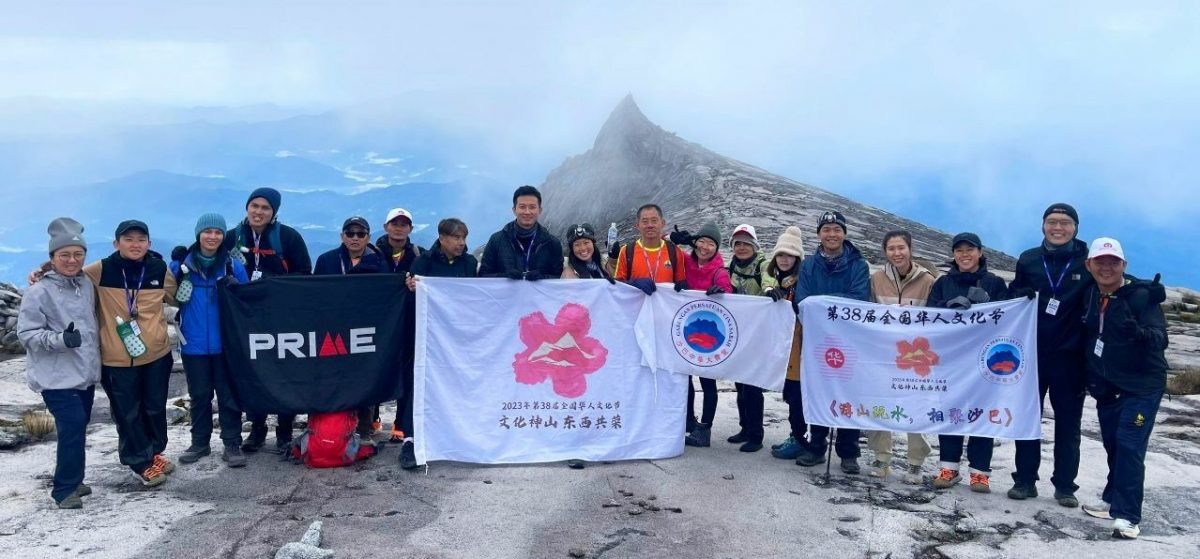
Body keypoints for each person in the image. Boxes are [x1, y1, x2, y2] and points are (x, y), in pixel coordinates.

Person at [1078, 238, 1167, 540]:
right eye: (1100, 261)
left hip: (1142, 388)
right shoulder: (1090, 294)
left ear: (1123, 266)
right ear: (1089, 265)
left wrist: (1139, 333)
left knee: (1129, 445)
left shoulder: (1141, 296)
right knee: (1114, 445)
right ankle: (1112, 498)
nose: (1106, 267)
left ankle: (1127, 517)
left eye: (1113, 262)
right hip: (1108, 388)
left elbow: (1160, 338)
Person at [1005, 203, 1093, 506]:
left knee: (1069, 423)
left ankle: (1065, 485)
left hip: (1071, 358)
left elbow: (1115, 282)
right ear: (1043, 226)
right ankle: (1025, 481)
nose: (1058, 227)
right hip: (1032, 354)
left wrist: (1143, 291)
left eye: (1065, 222)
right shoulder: (1028, 259)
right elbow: (1013, 295)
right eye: (1052, 222)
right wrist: (1017, 294)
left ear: (1075, 227)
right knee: (1028, 419)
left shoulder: (1088, 262)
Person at [86, 220, 179, 486]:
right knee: (127, 412)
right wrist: (43, 269)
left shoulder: (158, 268)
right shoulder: (100, 270)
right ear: (116, 243)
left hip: (157, 354)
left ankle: (153, 451)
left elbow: (176, 297)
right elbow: (69, 275)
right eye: (128, 239)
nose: (135, 244)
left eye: (141, 239)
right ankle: (140, 462)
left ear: (149, 243)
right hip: (116, 357)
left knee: (154, 407)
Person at [17, 218, 102, 507]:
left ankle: (75, 480)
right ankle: (64, 490)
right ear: (52, 257)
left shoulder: (86, 284)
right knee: (73, 425)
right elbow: (26, 334)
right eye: (64, 255)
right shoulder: (39, 291)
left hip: (84, 373)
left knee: (78, 427)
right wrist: (60, 340)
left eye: (78, 254)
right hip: (55, 377)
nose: (72, 260)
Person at [223, 187, 312, 453]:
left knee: (286, 370)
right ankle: (257, 428)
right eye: (255, 206)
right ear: (247, 207)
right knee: (252, 370)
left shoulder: (288, 237)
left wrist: (274, 284)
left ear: (274, 212)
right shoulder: (232, 237)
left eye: (265, 208)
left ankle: (284, 430)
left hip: (282, 315)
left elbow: (305, 273)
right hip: (246, 317)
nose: (258, 212)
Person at [928, 232, 1009, 493]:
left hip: (984, 361)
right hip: (950, 359)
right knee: (951, 412)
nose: (965, 254)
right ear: (953, 255)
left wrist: (987, 303)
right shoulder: (943, 283)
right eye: (959, 250)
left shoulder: (995, 282)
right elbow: (929, 314)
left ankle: (980, 473)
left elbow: (1007, 317)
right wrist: (947, 305)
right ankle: (948, 467)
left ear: (980, 252)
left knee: (981, 413)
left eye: (970, 249)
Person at [170, 213, 250, 468]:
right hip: (193, 344)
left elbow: (246, 299)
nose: (213, 236)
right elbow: (161, 292)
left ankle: (232, 443)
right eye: (208, 232)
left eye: (218, 232)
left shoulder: (231, 265)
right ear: (198, 234)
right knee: (200, 395)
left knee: (228, 395)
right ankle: (200, 442)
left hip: (226, 343)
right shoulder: (180, 266)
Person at [792, 211, 870, 473]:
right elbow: (801, 299)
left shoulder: (859, 264)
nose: (832, 234)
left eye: (837, 229)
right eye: (826, 229)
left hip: (850, 340)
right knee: (818, 390)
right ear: (819, 234)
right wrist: (826, 301)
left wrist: (822, 300)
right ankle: (816, 445)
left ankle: (849, 451)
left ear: (844, 233)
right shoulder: (809, 264)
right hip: (818, 340)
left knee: (849, 392)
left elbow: (858, 297)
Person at [403, 218, 478, 469]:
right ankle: (411, 440)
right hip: (430, 335)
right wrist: (412, 286)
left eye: (464, 238)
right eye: (456, 238)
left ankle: (458, 433)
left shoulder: (469, 263)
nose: (461, 243)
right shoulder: (424, 261)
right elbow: (413, 295)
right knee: (421, 382)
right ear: (442, 238)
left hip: (459, 335)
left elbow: (474, 296)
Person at [865, 230, 937, 483]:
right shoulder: (877, 279)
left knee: (915, 406)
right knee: (880, 403)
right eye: (891, 249)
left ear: (910, 249)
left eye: (901, 248)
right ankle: (881, 457)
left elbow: (936, 318)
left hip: (916, 356)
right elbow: (867, 313)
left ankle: (915, 461)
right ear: (885, 252)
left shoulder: (928, 280)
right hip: (883, 354)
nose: (897, 253)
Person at [313, 216, 387, 441]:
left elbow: (386, 295)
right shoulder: (326, 260)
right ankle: (329, 428)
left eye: (360, 234)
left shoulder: (378, 261)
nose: (355, 238)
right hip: (333, 330)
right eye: (350, 233)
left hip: (365, 330)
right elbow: (313, 293)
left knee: (364, 378)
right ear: (342, 236)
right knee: (331, 377)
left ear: (368, 237)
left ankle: (364, 429)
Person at [670, 222, 733, 448]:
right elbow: (667, 251)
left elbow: (731, 296)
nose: (705, 247)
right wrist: (678, 239)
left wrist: (723, 292)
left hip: (711, 338)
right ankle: (687, 420)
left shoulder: (719, 271)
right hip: (686, 333)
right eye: (702, 241)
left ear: (717, 248)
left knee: (708, 383)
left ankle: (705, 429)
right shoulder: (686, 261)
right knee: (685, 379)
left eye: (711, 243)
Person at [559, 223, 614, 468]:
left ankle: (601, 445)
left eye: (586, 243)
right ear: (571, 248)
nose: (583, 248)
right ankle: (575, 447)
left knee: (600, 394)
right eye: (577, 244)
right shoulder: (570, 272)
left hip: (600, 340)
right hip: (576, 343)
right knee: (577, 395)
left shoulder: (602, 268)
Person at [725, 224, 776, 453]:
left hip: (758, 335)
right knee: (740, 384)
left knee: (753, 386)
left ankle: (756, 436)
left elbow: (769, 278)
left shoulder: (763, 264)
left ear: (754, 245)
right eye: (738, 243)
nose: (742, 247)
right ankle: (745, 428)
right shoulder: (733, 267)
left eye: (746, 243)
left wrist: (767, 290)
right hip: (739, 334)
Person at [374, 208, 424, 441]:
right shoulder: (371, 254)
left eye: (404, 224)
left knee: (407, 371)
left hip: (407, 322)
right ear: (386, 227)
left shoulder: (419, 256)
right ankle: (371, 419)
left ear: (410, 229)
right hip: (378, 322)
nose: (399, 227)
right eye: (395, 223)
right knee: (374, 369)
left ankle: (401, 424)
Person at [761, 227, 806, 460]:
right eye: (780, 254)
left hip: (801, 348)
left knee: (797, 394)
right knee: (791, 393)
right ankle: (797, 436)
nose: (784, 259)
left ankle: (800, 438)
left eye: (790, 255)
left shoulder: (801, 282)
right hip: (787, 348)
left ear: (797, 258)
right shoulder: (780, 281)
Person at [479, 185, 563, 280]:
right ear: (514, 210)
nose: (527, 212)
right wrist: (505, 276)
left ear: (540, 210)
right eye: (522, 207)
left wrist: (543, 278)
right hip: (506, 295)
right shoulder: (496, 240)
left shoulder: (552, 243)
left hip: (538, 295)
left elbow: (559, 279)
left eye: (532, 207)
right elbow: (483, 276)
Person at [614, 204, 687, 295]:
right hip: (638, 307)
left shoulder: (674, 251)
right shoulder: (627, 251)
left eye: (654, 221)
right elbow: (617, 286)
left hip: (664, 307)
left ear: (662, 223)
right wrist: (633, 284)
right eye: (645, 222)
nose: (650, 225)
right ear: (637, 225)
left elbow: (681, 284)